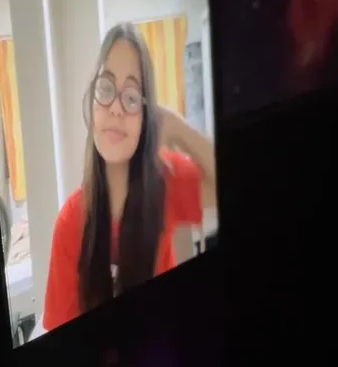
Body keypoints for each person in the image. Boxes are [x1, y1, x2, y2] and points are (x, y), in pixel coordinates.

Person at [41, 23, 217, 331]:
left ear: (146, 119)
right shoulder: (70, 224)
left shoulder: (163, 182)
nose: (116, 109)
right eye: (106, 88)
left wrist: (176, 127)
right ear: (92, 103)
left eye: (132, 97)